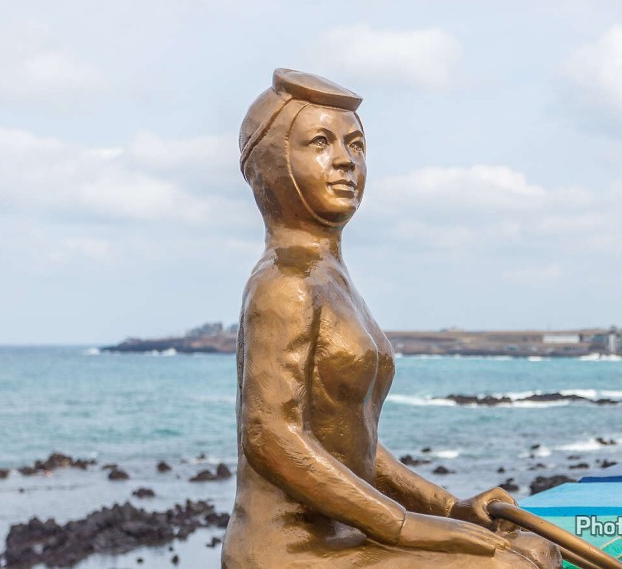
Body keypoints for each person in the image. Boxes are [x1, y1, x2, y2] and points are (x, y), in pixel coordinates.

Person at [222, 69, 560, 568]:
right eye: (319, 142)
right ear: (269, 164)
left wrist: (451, 508)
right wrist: (403, 526)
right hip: (290, 553)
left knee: (534, 547)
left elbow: (354, 444)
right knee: (508, 565)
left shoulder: (330, 278)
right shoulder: (285, 282)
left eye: (356, 145)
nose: (344, 161)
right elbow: (271, 436)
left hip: (349, 538)